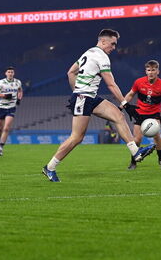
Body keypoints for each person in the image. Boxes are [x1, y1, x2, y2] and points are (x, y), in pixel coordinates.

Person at [41, 29, 155, 182]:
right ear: (103, 41)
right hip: (84, 97)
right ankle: (49, 167)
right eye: (112, 44)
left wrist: (76, 91)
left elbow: (70, 72)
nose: (114, 47)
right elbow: (111, 84)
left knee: (118, 116)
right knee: (76, 137)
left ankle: (136, 152)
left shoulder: (88, 53)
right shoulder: (102, 57)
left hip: (89, 97)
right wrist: (125, 103)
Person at [123, 60, 161, 170]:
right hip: (139, 114)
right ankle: (133, 162)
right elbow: (131, 94)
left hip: (154, 115)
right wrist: (122, 106)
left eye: (153, 70)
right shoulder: (139, 82)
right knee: (137, 139)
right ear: (146, 71)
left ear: (158, 71)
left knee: (157, 137)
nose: (151, 72)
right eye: (149, 70)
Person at [0, 66, 23, 156]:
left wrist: (19, 98)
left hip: (11, 107)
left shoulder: (17, 82)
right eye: (8, 72)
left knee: (6, 127)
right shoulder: (2, 82)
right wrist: (4, 95)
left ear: (14, 73)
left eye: (12, 72)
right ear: (6, 73)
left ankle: (1, 146)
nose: (10, 73)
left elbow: (20, 91)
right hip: (2, 107)